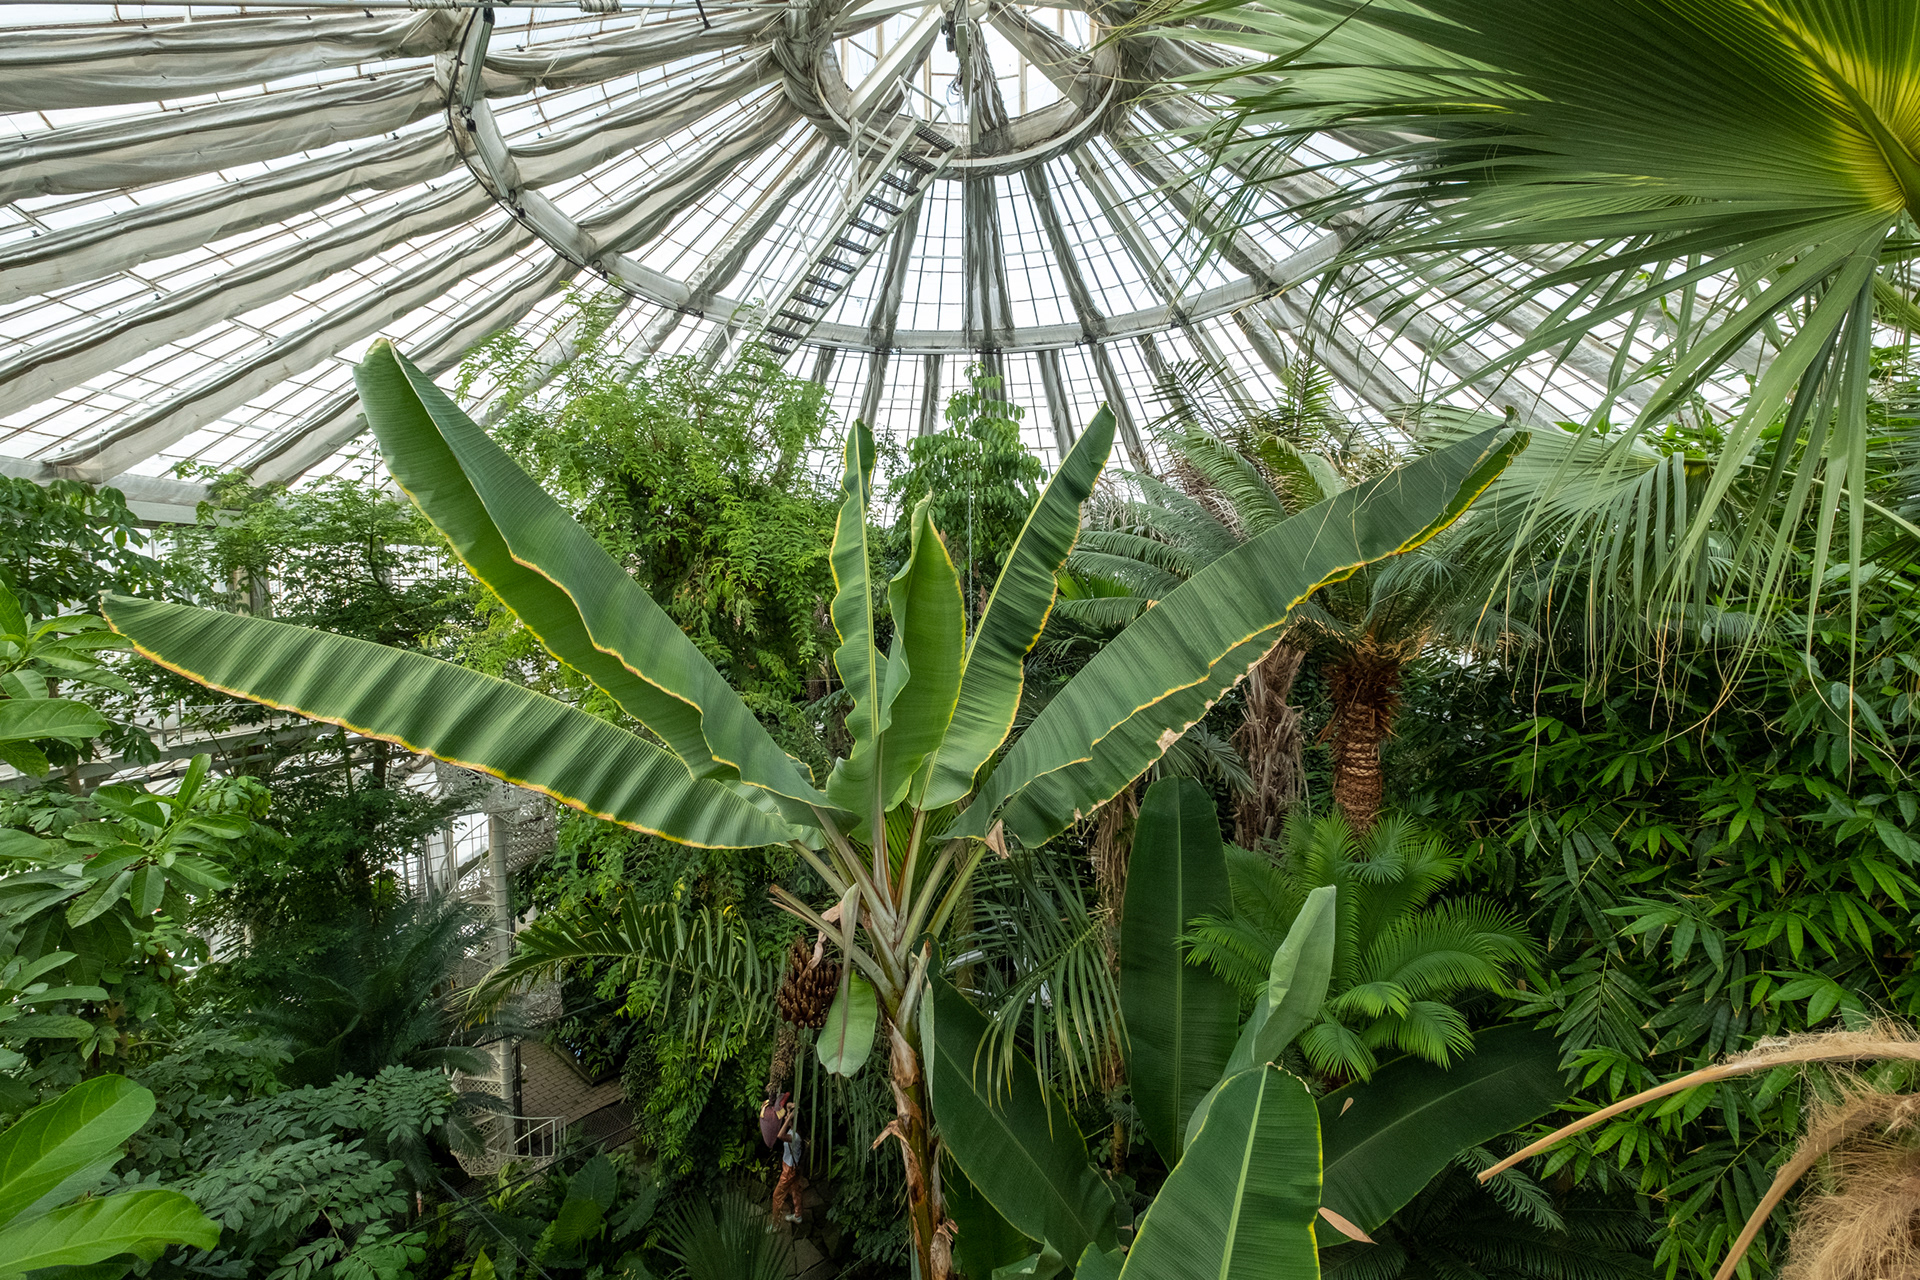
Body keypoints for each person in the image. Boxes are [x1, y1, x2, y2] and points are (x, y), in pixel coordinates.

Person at [769, 1091, 804, 1224]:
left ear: (793, 1122)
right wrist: (792, 1108)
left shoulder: (794, 1136)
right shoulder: (795, 1131)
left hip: (789, 1170)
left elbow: (780, 1136)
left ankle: (776, 1224)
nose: (785, 1117)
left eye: (788, 1117)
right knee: (795, 1191)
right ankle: (798, 1215)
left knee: (777, 1196)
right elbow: (788, 1106)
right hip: (793, 1167)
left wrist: (788, 1119)